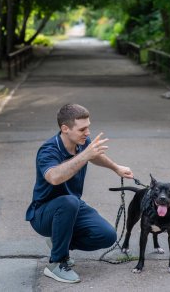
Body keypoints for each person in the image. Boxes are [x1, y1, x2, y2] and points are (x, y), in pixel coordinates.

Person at [25, 103, 133, 284]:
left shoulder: (81, 142)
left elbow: (95, 155)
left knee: (107, 236)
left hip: (71, 207)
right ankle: (56, 262)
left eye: (88, 127)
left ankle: (58, 242)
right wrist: (85, 155)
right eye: (82, 129)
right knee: (69, 201)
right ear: (65, 128)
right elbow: (54, 177)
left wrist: (116, 168)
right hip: (43, 214)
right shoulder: (48, 150)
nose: (88, 132)